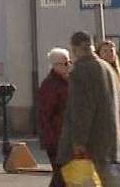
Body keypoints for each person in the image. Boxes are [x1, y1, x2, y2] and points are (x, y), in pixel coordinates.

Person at [58, 32, 120, 185]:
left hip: (90, 143)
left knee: (85, 181)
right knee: (105, 180)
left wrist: (78, 141)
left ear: (75, 49)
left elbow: (81, 109)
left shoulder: (81, 70)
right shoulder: (108, 69)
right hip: (110, 141)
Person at [38, 48, 72, 187]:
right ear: (55, 65)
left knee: (61, 176)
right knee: (61, 176)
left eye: (69, 62)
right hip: (56, 138)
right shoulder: (50, 84)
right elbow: (46, 114)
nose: (68, 65)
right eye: (65, 63)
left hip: (65, 137)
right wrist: (52, 138)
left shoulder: (66, 82)